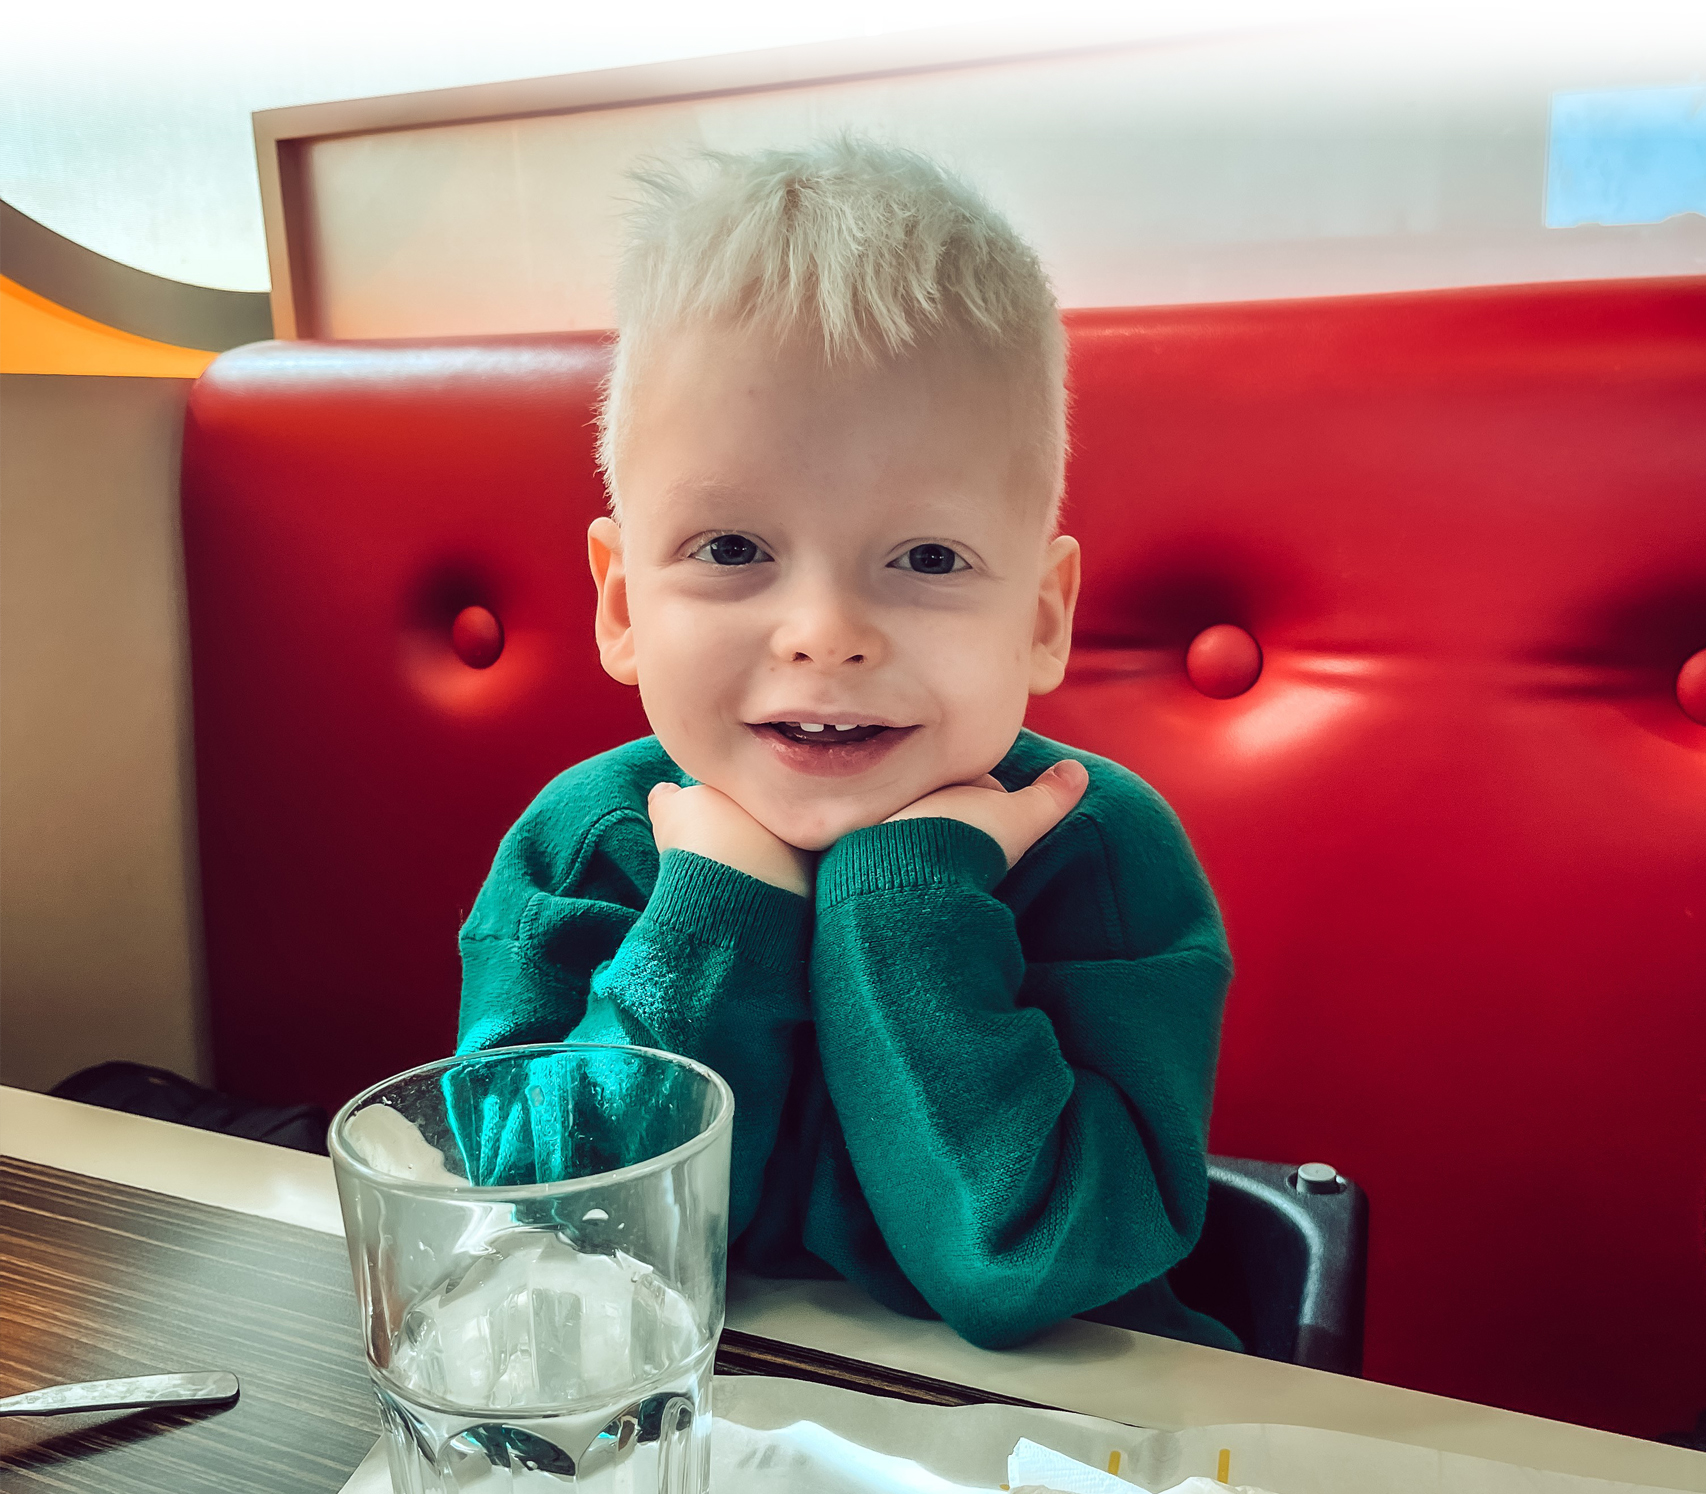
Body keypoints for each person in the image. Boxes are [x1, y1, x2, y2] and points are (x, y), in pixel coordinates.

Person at [457, 136, 1239, 1352]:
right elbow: (555, 1240)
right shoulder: (582, 849)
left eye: (926, 559)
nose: (823, 635)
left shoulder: (1100, 853)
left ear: (1039, 618)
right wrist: (711, 914)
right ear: (621, 604)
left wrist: (906, 907)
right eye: (729, 550)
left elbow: (1031, 1265)